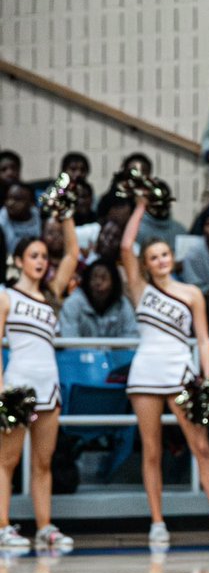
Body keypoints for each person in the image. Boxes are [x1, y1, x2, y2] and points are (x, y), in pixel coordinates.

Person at [121, 196, 209, 546]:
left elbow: (204, 340)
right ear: (146, 264)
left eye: (164, 254)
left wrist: (208, 378)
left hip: (181, 371)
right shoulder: (139, 289)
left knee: (201, 446)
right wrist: (139, 208)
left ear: (172, 259)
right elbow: (124, 246)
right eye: (153, 257)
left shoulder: (192, 293)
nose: (161, 260)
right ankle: (157, 522)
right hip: (146, 372)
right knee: (151, 449)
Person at [0, 219, 80, 552]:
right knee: (7, 461)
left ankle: (45, 527)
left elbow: (73, 253)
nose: (41, 261)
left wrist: (65, 216)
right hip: (17, 385)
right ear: (18, 260)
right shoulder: (5, 297)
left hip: (49, 386)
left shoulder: (51, 294)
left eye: (45, 256)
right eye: (33, 255)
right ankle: (3, 527)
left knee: (44, 462)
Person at [58, 259, 139, 340]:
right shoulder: (73, 303)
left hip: (117, 352)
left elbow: (131, 339)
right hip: (81, 352)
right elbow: (69, 341)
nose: (98, 282)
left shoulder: (122, 305)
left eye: (103, 278)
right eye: (94, 278)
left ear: (114, 283)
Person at [0, 182, 41, 257]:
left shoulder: (38, 215)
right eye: (8, 198)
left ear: (31, 203)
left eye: (17, 199)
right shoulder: (2, 219)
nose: (10, 203)